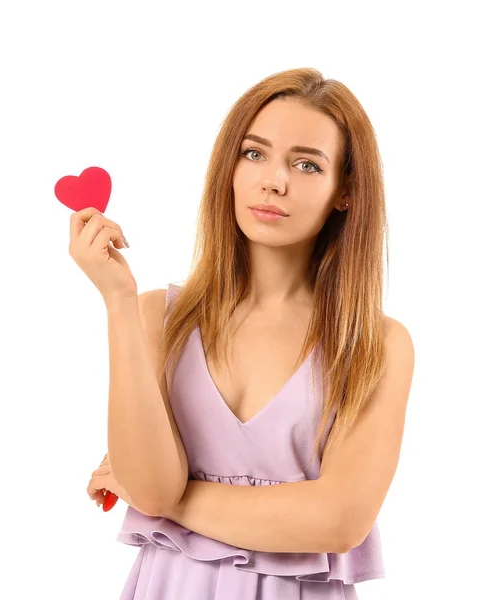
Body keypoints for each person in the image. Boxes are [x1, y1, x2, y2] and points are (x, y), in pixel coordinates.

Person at [77, 67, 415, 599]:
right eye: (254, 153)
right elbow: (149, 486)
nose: (273, 180)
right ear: (229, 168)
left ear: (344, 190)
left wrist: (173, 503)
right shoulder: (154, 318)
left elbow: (340, 519)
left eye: (306, 164)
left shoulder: (374, 344)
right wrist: (117, 300)